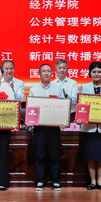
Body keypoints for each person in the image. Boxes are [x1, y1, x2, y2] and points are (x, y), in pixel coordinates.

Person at [78, 61, 101, 190]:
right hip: (89, 127)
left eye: (99, 71)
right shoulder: (84, 87)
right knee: (90, 155)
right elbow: (82, 105)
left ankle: (100, 181)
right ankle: (93, 181)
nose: (96, 74)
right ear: (90, 73)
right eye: (94, 71)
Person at [28, 63, 65, 191]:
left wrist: (63, 121)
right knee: (39, 155)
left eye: (48, 71)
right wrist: (30, 121)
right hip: (39, 128)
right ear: (39, 73)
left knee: (54, 155)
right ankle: (40, 181)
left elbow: (62, 106)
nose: (46, 73)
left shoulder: (58, 88)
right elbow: (30, 108)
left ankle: (55, 181)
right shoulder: (34, 89)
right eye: (43, 71)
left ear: (52, 73)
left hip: (54, 127)